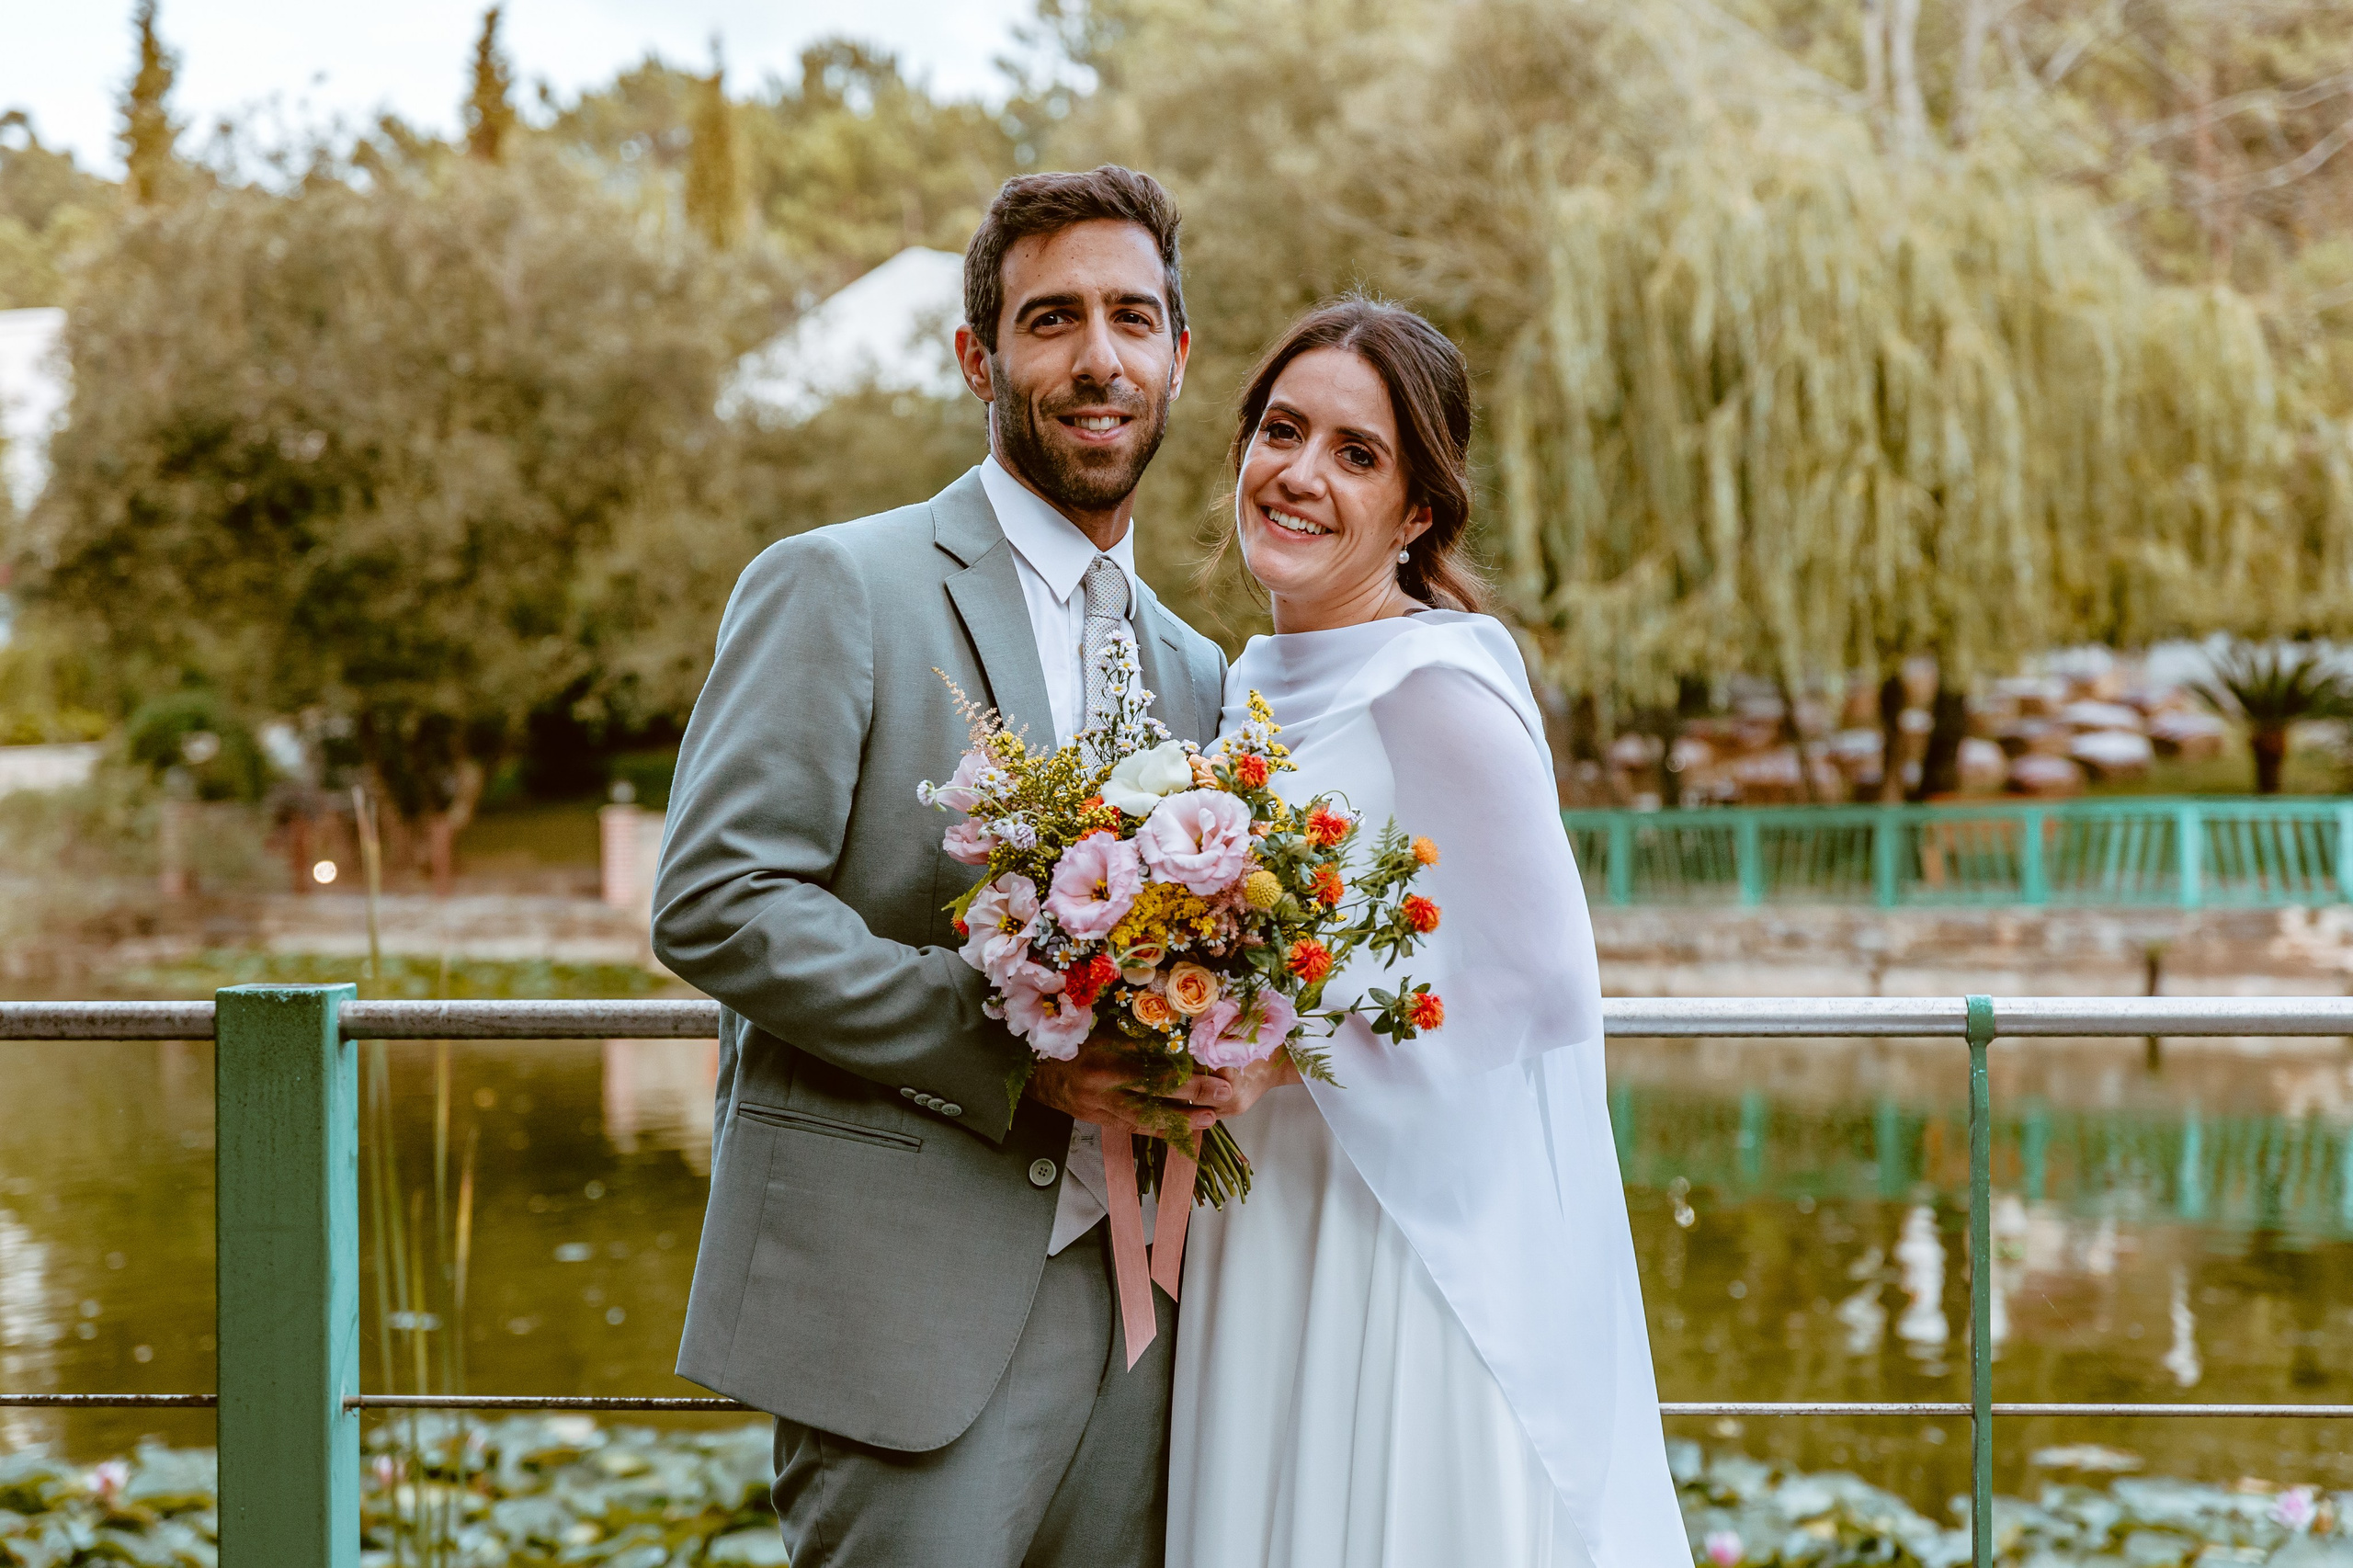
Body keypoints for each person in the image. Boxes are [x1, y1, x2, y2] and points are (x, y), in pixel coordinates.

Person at [653, 165, 1229, 1568]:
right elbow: (716, 899)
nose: (1099, 359)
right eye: (1052, 321)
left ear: (1177, 354)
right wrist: (1009, 1053)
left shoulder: (1203, 671)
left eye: (1131, 319)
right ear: (979, 356)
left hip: (1153, 1327)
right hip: (899, 1315)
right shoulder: (840, 583)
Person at [1165, 297, 1688, 1568]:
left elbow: (1545, 982)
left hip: (1391, 1232)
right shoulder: (1246, 685)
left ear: (1415, 515)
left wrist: (1278, 1038)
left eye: (1357, 453)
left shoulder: (1435, 684)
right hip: (1265, 1211)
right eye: (1282, 430)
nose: (1299, 473)